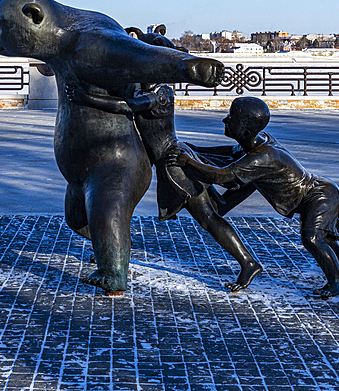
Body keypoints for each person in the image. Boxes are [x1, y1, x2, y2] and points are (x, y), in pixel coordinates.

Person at [65, 30, 263, 292]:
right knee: (212, 211)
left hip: (175, 163)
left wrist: (84, 98)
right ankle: (114, 247)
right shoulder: (143, 87)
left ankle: (248, 262)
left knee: (208, 218)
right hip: (168, 159)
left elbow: (125, 107)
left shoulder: (160, 93)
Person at [171, 96, 339, 299]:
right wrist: (196, 150)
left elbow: (223, 175)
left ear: (246, 131)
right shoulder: (256, 141)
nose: (225, 120)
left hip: (319, 195)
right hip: (295, 187)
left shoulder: (262, 156)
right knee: (220, 208)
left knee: (312, 237)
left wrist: (189, 161)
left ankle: (337, 283)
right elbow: (230, 153)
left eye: (230, 118)